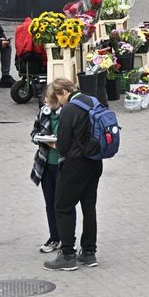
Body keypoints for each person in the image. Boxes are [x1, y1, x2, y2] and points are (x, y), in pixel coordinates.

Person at [44, 78, 103, 271]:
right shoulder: (92, 100)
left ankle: (67, 254)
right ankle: (89, 253)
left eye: (57, 98)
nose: (58, 103)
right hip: (94, 161)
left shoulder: (69, 109)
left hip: (75, 165)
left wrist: (52, 143)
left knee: (63, 206)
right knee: (89, 206)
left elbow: (63, 144)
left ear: (62, 93)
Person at [30, 82, 75, 255]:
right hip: (45, 164)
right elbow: (34, 132)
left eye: (49, 100)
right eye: (45, 101)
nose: (45, 103)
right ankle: (54, 237)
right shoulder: (43, 113)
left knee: (65, 205)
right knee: (50, 204)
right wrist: (39, 138)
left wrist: (57, 143)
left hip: (63, 165)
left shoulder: (68, 114)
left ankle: (68, 240)